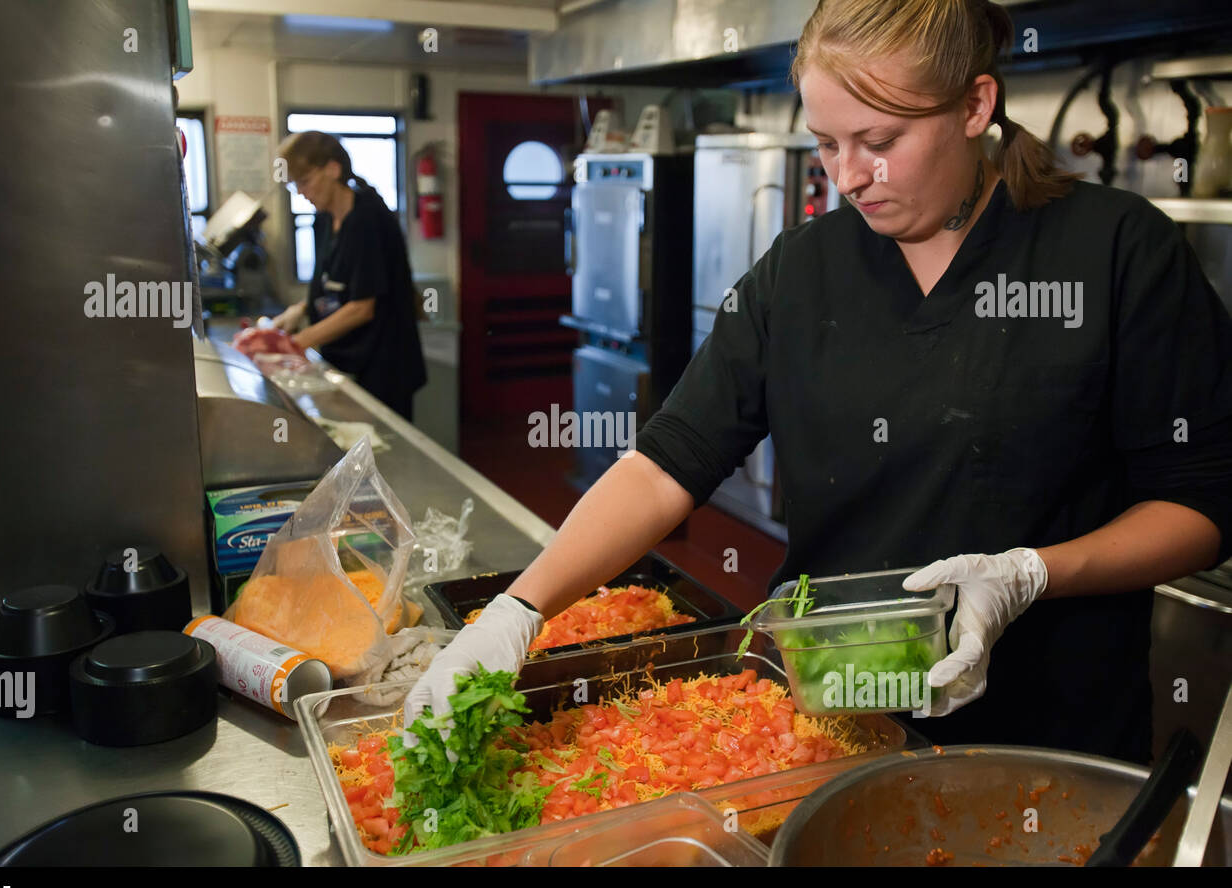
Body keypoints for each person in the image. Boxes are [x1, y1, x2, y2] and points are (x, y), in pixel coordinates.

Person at [405, 0, 1232, 763]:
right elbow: (667, 462)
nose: (849, 176)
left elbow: (1203, 503)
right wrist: (521, 607)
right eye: (827, 144)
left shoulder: (1116, 252)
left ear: (975, 107)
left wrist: (1029, 572)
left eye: (879, 142)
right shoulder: (804, 270)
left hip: (1051, 733)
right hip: (829, 722)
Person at [272, 131, 426, 420]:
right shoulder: (326, 220)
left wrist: (292, 345)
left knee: (381, 451)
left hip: (383, 364)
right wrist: (300, 309)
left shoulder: (368, 219)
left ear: (333, 169)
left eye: (304, 181)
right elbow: (334, 282)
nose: (301, 192)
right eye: (295, 185)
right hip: (347, 359)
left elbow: (361, 308)